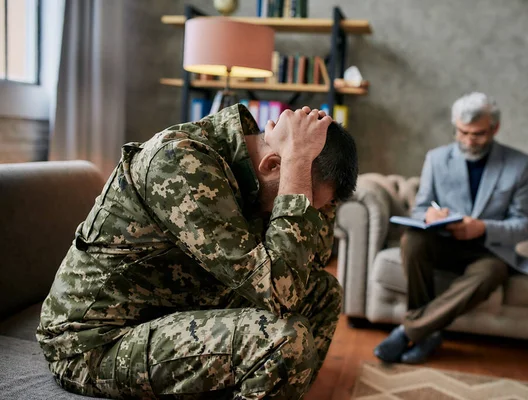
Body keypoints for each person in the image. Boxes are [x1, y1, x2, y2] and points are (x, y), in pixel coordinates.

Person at [37, 104, 358, 399]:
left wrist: (309, 178)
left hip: (170, 306)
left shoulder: (253, 166)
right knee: (283, 341)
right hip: (94, 343)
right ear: (274, 164)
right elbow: (280, 292)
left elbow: (306, 270)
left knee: (323, 292)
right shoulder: (181, 163)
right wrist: (299, 164)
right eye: (294, 192)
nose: (296, 199)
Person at [374, 92, 528, 364]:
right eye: (462, 132)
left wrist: (482, 227)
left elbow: (523, 226)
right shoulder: (437, 159)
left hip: (488, 252)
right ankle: (426, 334)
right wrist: (430, 215)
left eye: (478, 134)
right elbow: (419, 209)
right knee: (413, 240)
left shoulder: (519, 164)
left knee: (493, 272)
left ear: (494, 128)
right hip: (444, 242)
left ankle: (410, 331)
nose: (469, 140)